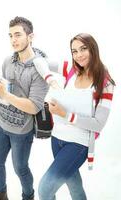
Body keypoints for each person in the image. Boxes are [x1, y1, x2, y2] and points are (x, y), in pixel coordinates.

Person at [34, 33, 115, 200]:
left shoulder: (104, 83)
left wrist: (66, 115)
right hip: (57, 139)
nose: (79, 55)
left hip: (78, 144)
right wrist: (51, 80)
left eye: (83, 49)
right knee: (75, 187)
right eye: (74, 51)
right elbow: (38, 61)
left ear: (93, 49)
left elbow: (98, 124)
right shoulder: (70, 69)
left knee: (45, 189)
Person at [0, 16, 56, 200]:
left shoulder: (40, 68)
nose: (13, 40)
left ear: (31, 36)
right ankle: (1, 195)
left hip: (22, 130)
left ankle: (28, 196)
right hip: (1, 124)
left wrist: (5, 94)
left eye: (18, 35)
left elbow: (34, 107)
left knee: (20, 169)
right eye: (10, 36)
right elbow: (5, 90)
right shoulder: (7, 61)